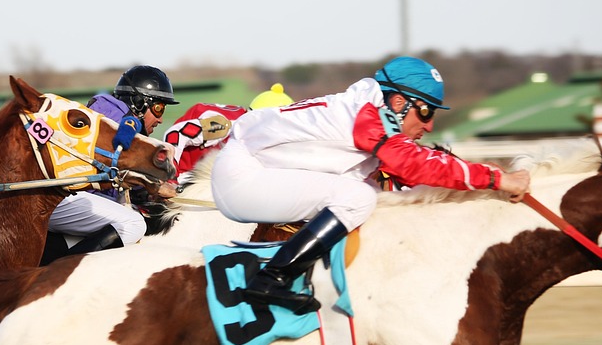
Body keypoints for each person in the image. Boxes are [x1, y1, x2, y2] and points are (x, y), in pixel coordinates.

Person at [212, 55, 532, 313]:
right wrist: (497, 179)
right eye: (424, 110)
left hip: (255, 171)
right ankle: (272, 279)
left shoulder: (372, 113)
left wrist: (484, 177)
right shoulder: (368, 117)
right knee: (360, 197)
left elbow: (409, 174)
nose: (430, 123)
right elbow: (414, 165)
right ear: (397, 103)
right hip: (243, 177)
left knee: (377, 197)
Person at [42, 64, 178, 261]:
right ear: (139, 103)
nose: (161, 118)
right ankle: (61, 273)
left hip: (68, 198)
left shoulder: (114, 116)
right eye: (158, 108)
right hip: (59, 197)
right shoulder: (118, 121)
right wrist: (154, 188)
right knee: (133, 224)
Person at [163, 82, 293, 180]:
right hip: (180, 179)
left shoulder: (248, 127)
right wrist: (169, 178)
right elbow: (176, 134)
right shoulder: (228, 125)